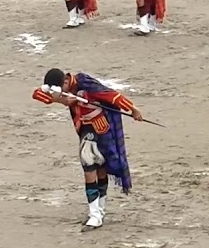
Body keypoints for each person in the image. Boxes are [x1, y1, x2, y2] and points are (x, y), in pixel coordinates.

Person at [37, 68, 144, 231]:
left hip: (102, 130)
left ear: (66, 82)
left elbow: (112, 96)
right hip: (85, 131)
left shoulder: (86, 85)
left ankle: (98, 213)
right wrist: (63, 101)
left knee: (98, 169)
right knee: (91, 168)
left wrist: (133, 109)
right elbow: (38, 94)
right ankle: (96, 214)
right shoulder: (64, 90)